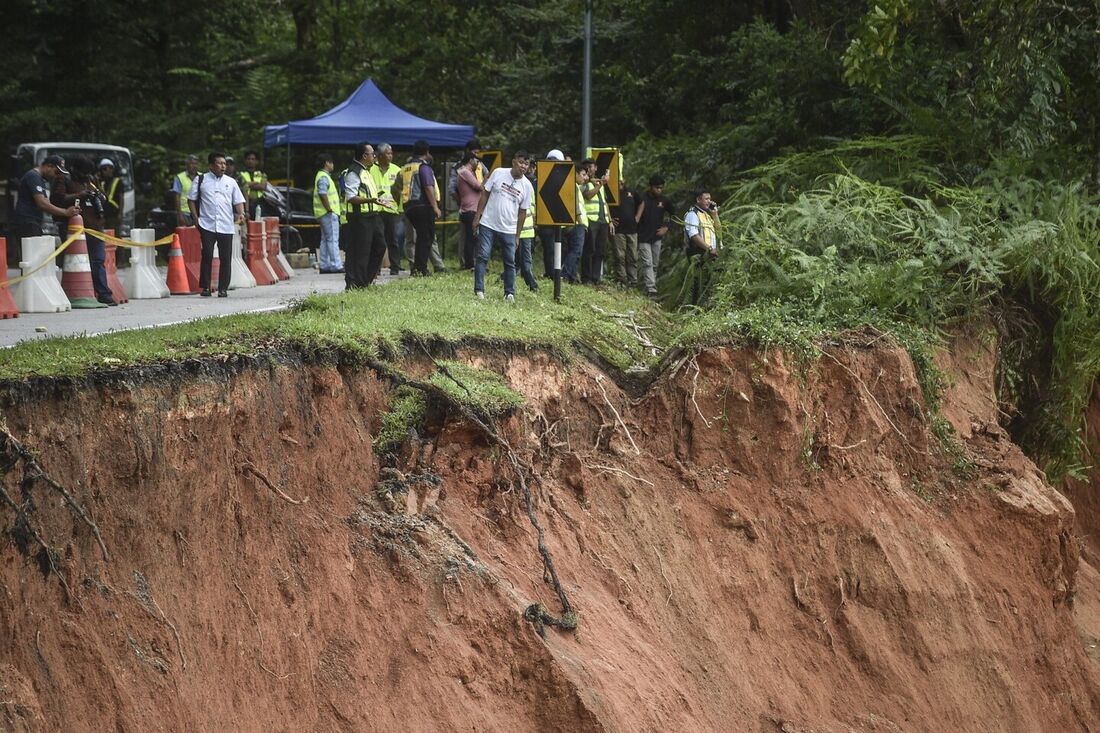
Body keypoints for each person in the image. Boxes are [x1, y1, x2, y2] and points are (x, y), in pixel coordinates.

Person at [51, 155, 116, 305]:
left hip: (95, 226)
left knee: (98, 260)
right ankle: (76, 293)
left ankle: (104, 294)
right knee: (76, 262)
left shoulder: (91, 180)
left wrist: (99, 196)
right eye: (83, 173)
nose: (86, 176)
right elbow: (57, 200)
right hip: (75, 228)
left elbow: (102, 196)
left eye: (88, 173)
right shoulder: (64, 179)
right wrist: (78, 196)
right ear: (75, 169)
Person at [472, 151, 533, 302]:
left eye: (526, 164)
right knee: (483, 256)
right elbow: (485, 194)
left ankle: (509, 293)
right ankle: (479, 290)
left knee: (509, 262)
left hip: (509, 229)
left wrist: (518, 235)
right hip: (488, 223)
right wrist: (478, 215)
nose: (523, 166)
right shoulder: (499, 173)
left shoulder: (527, 186)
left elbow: (523, 212)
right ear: (513, 162)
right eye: (521, 162)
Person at [187, 151, 246, 297]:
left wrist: (241, 213)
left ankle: (223, 288)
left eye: (224, 163)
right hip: (207, 224)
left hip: (226, 225)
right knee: (207, 254)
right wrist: (195, 217)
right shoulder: (201, 180)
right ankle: (206, 287)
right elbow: (191, 199)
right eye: (220, 163)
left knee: (225, 257)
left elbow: (238, 201)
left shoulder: (231, 182)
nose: (223, 166)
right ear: (211, 165)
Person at [341, 142, 387, 289]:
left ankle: (365, 280)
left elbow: (367, 192)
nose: (375, 156)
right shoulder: (354, 172)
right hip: (360, 217)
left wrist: (377, 199)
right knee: (361, 251)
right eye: (372, 153)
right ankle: (356, 283)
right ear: (364, 156)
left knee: (380, 247)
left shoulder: (366, 170)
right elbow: (351, 197)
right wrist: (372, 200)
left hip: (372, 215)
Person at [12, 155, 78, 241]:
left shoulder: (40, 179)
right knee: (31, 253)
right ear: (49, 166)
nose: (56, 176)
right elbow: (42, 204)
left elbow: (47, 203)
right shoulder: (33, 176)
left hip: (33, 222)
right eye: (56, 172)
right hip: (27, 222)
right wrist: (65, 212)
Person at [402, 140, 441, 277]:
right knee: (426, 237)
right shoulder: (423, 167)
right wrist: (435, 207)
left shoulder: (405, 167)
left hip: (408, 206)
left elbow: (395, 188)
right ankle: (420, 269)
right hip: (422, 205)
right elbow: (428, 186)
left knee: (421, 237)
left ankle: (418, 268)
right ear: (426, 152)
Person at [636, 174, 674, 297]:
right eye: (657, 187)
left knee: (655, 264)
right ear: (651, 187)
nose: (659, 190)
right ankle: (651, 288)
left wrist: (667, 227)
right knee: (647, 262)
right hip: (643, 236)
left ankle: (649, 287)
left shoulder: (664, 200)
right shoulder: (642, 199)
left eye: (661, 188)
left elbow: (674, 214)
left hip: (657, 236)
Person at [683, 189, 721, 304]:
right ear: (698, 199)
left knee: (708, 281)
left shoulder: (707, 215)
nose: (709, 201)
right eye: (706, 199)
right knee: (698, 282)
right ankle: (695, 307)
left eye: (710, 199)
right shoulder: (692, 214)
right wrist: (709, 249)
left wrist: (715, 215)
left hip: (709, 253)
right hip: (698, 253)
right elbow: (693, 235)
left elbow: (718, 231)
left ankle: (705, 306)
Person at [371, 143, 403, 275]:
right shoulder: (370, 169)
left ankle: (395, 266)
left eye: (391, 153)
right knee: (378, 239)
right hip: (376, 209)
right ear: (379, 155)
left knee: (393, 239)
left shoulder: (397, 170)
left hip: (392, 209)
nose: (390, 156)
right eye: (387, 153)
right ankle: (375, 268)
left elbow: (402, 190)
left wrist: (401, 208)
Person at [580, 158, 613, 284]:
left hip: (602, 221)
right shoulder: (584, 183)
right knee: (589, 250)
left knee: (600, 250)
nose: (593, 169)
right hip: (591, 220)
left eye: (594, 167)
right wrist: (600, 185)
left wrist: (609, 220)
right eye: (591, 167)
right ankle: (586, 277)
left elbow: (605, 202)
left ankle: (596, 277)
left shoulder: (599, 183)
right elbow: (588, 195)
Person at [537, 148, 567, 277]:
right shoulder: (540, 178)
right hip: (545, 220)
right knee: (549, 249)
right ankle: (551, 274)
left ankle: (556, 272)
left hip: (559, 220)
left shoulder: (565, 178)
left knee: (560, 248)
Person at [313, 153, 343, 274]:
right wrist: (329, 209)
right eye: (331, 162)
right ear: (327, 163)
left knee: (325, 240)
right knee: (332, 239)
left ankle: (324, 265)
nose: (333, 165)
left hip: (322, 213)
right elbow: (322, 193)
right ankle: (336, 265)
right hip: (328, 213)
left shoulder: (321, 176)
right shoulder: (324, 177)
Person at [560, 162, 590, 284]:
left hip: (571, 223)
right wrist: (581, 222)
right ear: (575, 173)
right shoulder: (572, 186)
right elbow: (576, 207)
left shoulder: (573, 185)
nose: (585, 177)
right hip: (577, 224)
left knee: (572, 251)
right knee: (576, 251)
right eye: (582, 174)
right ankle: (566, 274)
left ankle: (571, 276)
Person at [610, 175, 640, 286]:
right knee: (620, 256)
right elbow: (605, 205)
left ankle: (633, 281)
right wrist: (610, 219)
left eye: (621, 180)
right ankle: (622, 279)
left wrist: (637, 217)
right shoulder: (611, 192)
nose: (620, 182)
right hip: (618, 230)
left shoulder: (631, 192)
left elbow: (641, 203)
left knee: (633, 256)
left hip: (632, 229)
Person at [455, 152, 484, 270]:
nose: (478, 164)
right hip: (470, 210)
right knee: (471, 238)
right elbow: (479, 187)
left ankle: (473, 262)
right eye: (477, 161)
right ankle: (469, 264)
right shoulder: (465, 172)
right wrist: (487, 179)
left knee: (473, 238)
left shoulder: (468, 172)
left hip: (471, 209)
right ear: (471, 160)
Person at [171, 154, 199, 227]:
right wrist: (179, 214)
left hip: (199, 213)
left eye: (196, 164)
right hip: (185, 213)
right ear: (187, 165)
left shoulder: (201, 177)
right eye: (192, 163)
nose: (194, 166)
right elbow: (177, 197)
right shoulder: (180, 177)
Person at [98, 158, 123, 233]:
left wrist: (120, 213)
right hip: (104, 214)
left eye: (105, 168)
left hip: (114, 214)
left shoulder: (118, 181)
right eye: (102, 169)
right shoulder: (101, 183)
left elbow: (121, 198)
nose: (104, 171)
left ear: (111, 169)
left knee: (115, 234)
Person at [238, 150, 267, 217]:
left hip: (259, 202)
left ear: (256, 161)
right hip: (246, 203)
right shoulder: (240, 174)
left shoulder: (261, 173)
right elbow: (242, 186)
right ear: (245, 161)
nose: (250, 161)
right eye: (248, 159)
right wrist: (256, 183)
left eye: (253, 159)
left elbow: (263, 186)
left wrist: (248, 184)